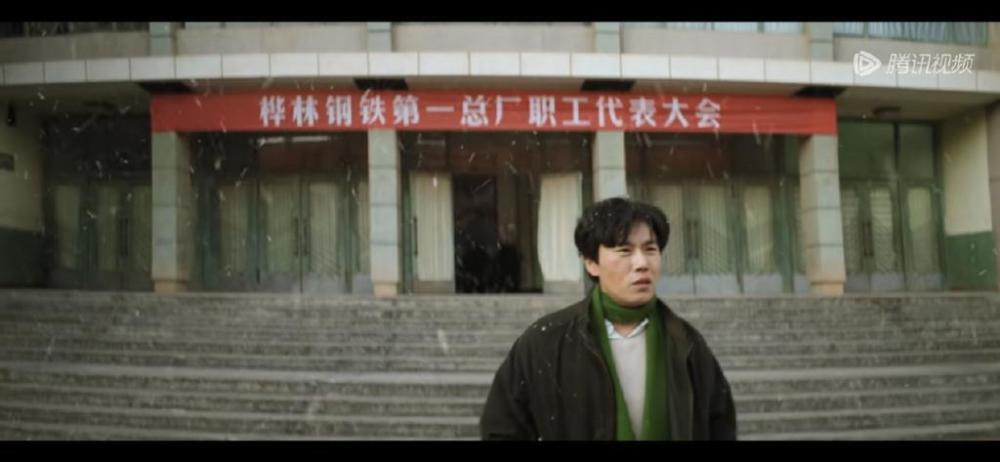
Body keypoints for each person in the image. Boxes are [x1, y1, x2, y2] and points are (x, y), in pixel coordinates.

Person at [480, 197, 736, 440]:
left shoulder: (685, 343)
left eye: (650, 249)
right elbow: (502, 428)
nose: (642, 263)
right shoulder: (546, 341)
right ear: (591, 263)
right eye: (625, 250)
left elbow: (720, 426)